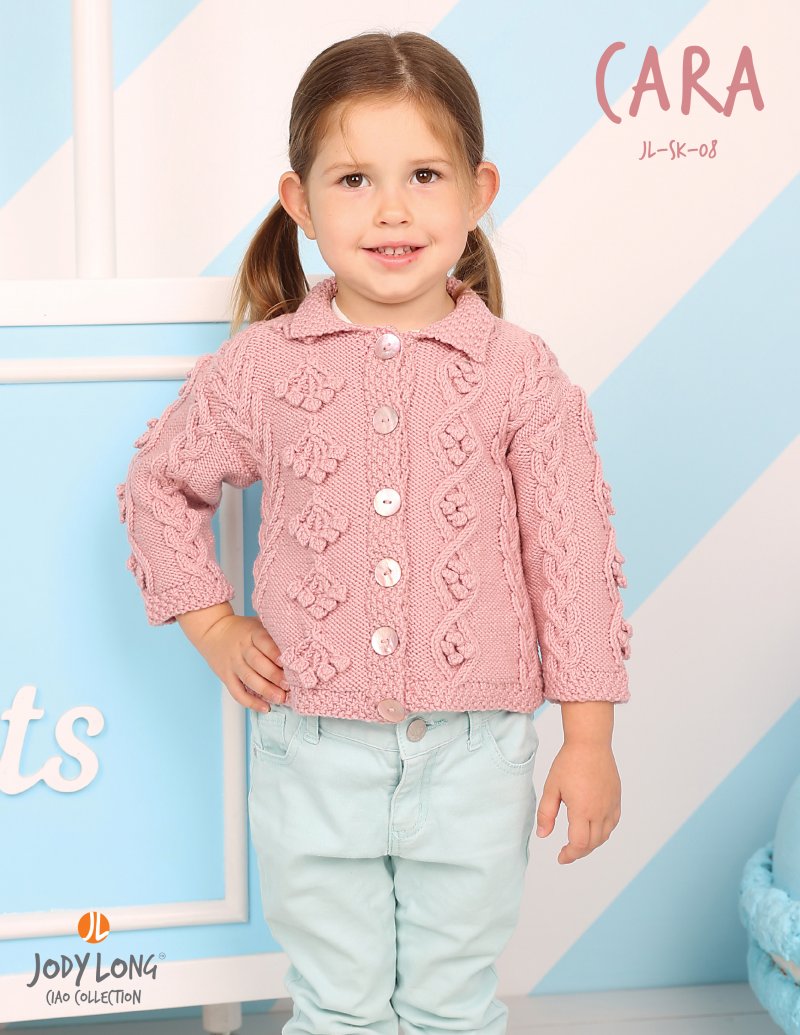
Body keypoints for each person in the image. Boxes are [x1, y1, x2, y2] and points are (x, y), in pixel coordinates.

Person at [116, 29, 633, 1035]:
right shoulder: (264, 368)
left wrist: (588, 734)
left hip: (476, 755)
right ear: (300, 202)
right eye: (354, 179)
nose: (391, 209)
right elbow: (156, 487)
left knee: (451, 1003)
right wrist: (213, 624)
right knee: (336, 1006)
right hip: (312, 750)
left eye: (423, 175)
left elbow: (572, 558)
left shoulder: (519, 373)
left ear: (477, 192)